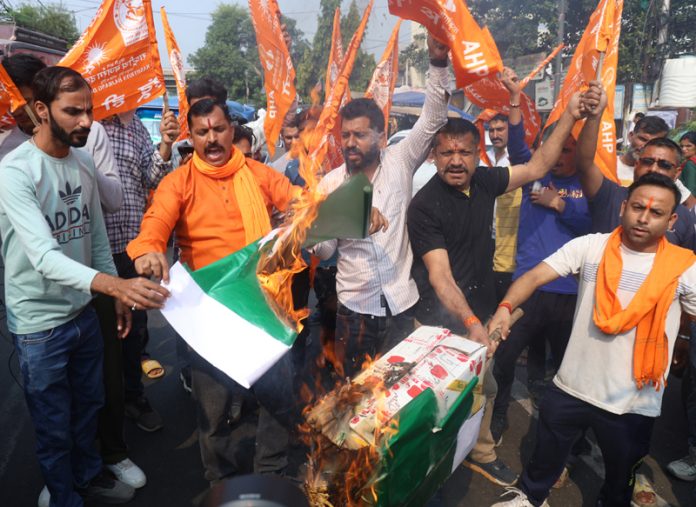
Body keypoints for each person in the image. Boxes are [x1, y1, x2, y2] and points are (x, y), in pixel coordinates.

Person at [0, 65, 169, 507]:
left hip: (82, 314)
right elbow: (43, 257)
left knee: (90, 406)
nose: (87, 122)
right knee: (54, 423)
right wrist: (116, 285)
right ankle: (62, 497)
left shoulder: (85, 161)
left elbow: (95, 235)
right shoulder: (15, 172)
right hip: (39, 325)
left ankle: (91, 476)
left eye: (89, 110)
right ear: (42, 110)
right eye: (73, 112)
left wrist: (109, 297)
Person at [406, 87, 586, 487]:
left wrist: (571, 114)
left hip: (482, 313)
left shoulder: (486, 182)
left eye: (464, 153)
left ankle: (482, 452)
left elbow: (539, 166)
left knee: (485, 388)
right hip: (439, 321)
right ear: (433, 156)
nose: (456, 161)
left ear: (477, 154)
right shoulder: (424, 206)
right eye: (446, 153)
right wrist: (470, 321)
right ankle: (427, 471)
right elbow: (440, 276)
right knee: (437, 400)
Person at [488, 173, 696, 507]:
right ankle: (529, 497)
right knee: (545, 455)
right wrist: (505, 307)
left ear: (672, 220)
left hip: (631, 400)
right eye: (638, 207)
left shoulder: (684, 268)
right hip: (572, 384)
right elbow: (535, 275)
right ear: (623, 208)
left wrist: (683, 342)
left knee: (619, 478)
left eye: (656, 213)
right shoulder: (590, 246)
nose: (643, 217)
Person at [126, 98, 301, 482]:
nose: (212, 139)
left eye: (218, 129)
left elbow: (304, 205)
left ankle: (272, 472)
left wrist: (348, 210)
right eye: (202, 132)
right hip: (209, 314)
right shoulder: (179, 182)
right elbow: (154, 223)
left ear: (231, 131)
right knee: (214, 410)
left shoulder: (259, 175)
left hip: (262, 303)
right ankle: (220, 482)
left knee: (277, 399)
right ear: (191, 136)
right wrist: (147, 251)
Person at [311, 33, 450, 378]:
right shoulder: (330, 184)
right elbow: (324, 251)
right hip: (352, 312)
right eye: (345, 135)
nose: (350, 143)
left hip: (401, 307)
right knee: (354, 398)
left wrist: (437, 64)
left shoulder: (400, 160)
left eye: (359, 135)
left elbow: (433, 119)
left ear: (380, 135)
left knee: (395, 401)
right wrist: (345, 216)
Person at [101, 101, 179, 433]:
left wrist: (165, 143)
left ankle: (133, 398)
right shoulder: (91, 125)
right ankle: (106, 410)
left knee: (134, 330)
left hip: (134, 247)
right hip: (98, 250)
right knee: (104, 334)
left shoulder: (135, 126)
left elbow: (153, 176)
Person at [575, 82, 696, 251]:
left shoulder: (683, 217)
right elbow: (584, 163)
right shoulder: (610, 195)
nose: (653, 169)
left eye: (664, 165)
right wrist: (595, 116)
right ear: (637, 163)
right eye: (647, 161)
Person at [678, 131, 696, 196]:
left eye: (689, 146)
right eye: (681, 146)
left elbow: (690, 191)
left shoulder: (690, 164)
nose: (683, 149)